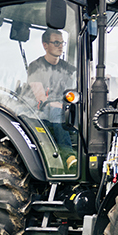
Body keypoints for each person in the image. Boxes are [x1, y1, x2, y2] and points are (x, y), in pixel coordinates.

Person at [28, 29, 77, 171]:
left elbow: (82, 80)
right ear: (45, 45)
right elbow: (41, 98)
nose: (60, 46)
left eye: (62, 43)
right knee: (57, 110)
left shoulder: (67, 68)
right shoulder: (36, 67)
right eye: (56, 43)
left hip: (63, 109)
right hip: (39, 111)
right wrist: (63, 107)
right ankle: (68, 156)